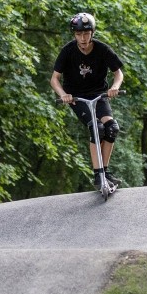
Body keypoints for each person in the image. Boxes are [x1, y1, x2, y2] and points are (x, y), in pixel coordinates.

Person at [51, 13, 124, 189]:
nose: (82, 38)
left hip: (99, 95)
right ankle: (98, 176)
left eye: (86, 34)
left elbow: (118, 73)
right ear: (74, 34)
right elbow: (54, 79)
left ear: (92, 33)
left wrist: (115, 86)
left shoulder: (102, 49)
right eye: (78, 34)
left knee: (111, 128)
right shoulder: (68, 51)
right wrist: (63, 94)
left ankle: (104, 171)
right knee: (96, 128)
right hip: (78, 97)